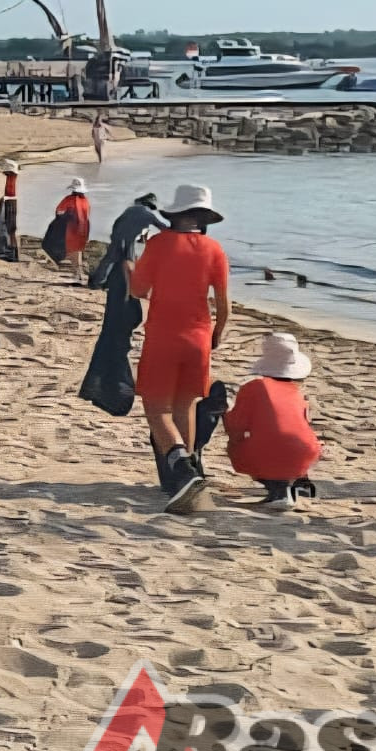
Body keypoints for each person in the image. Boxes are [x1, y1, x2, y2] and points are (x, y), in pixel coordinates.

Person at [128, 185, 230, 514]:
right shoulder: (214, 249)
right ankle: (185, 478)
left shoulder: (159, 244)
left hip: (164, 336)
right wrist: (216, 334)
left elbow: (139, 290)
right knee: (186, 405)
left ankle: (181, 467)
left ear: (175, 214)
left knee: (157, 409)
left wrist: (129, 269)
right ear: (204, 219)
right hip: (199, 338)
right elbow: (224, 305)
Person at [224, 333, 322, 511]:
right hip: (307, 451)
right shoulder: (297, 393)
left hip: (275, 451)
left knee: (237, 448)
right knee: (286, 445)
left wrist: (224, 413)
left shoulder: (253, 388)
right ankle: (293, 481)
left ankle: (279, 491)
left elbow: (236, 428)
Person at [89, 192, 169, 290]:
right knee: (129, 261)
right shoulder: (148, 215)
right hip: (129, 238)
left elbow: (117, 222)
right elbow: (163, 227)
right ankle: (130, 286)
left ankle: (96, 282)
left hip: (117, 235)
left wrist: (115, 236)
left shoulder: (129, 210)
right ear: (149, 205)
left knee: (109, 259)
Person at [51, 178, 91, 284]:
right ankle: (79, 274)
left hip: (72, 229)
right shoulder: (85, 201)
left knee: (73, 251)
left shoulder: (69, 199)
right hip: (84, 229)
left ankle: (77, 274)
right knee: (78, 251)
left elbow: (59, 211)